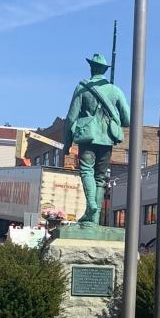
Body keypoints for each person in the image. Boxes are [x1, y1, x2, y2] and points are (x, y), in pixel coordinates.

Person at [62, 53, 131, 229]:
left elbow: (71, 118)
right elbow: (128, 119)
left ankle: (92, 204)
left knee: (86, 171)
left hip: (88, 136)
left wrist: (67, 143)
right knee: (100, 178)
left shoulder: (82, 88)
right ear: (105, 70)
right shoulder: (115, 90)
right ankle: (93, 217)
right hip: (107, 138)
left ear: (91, 68)